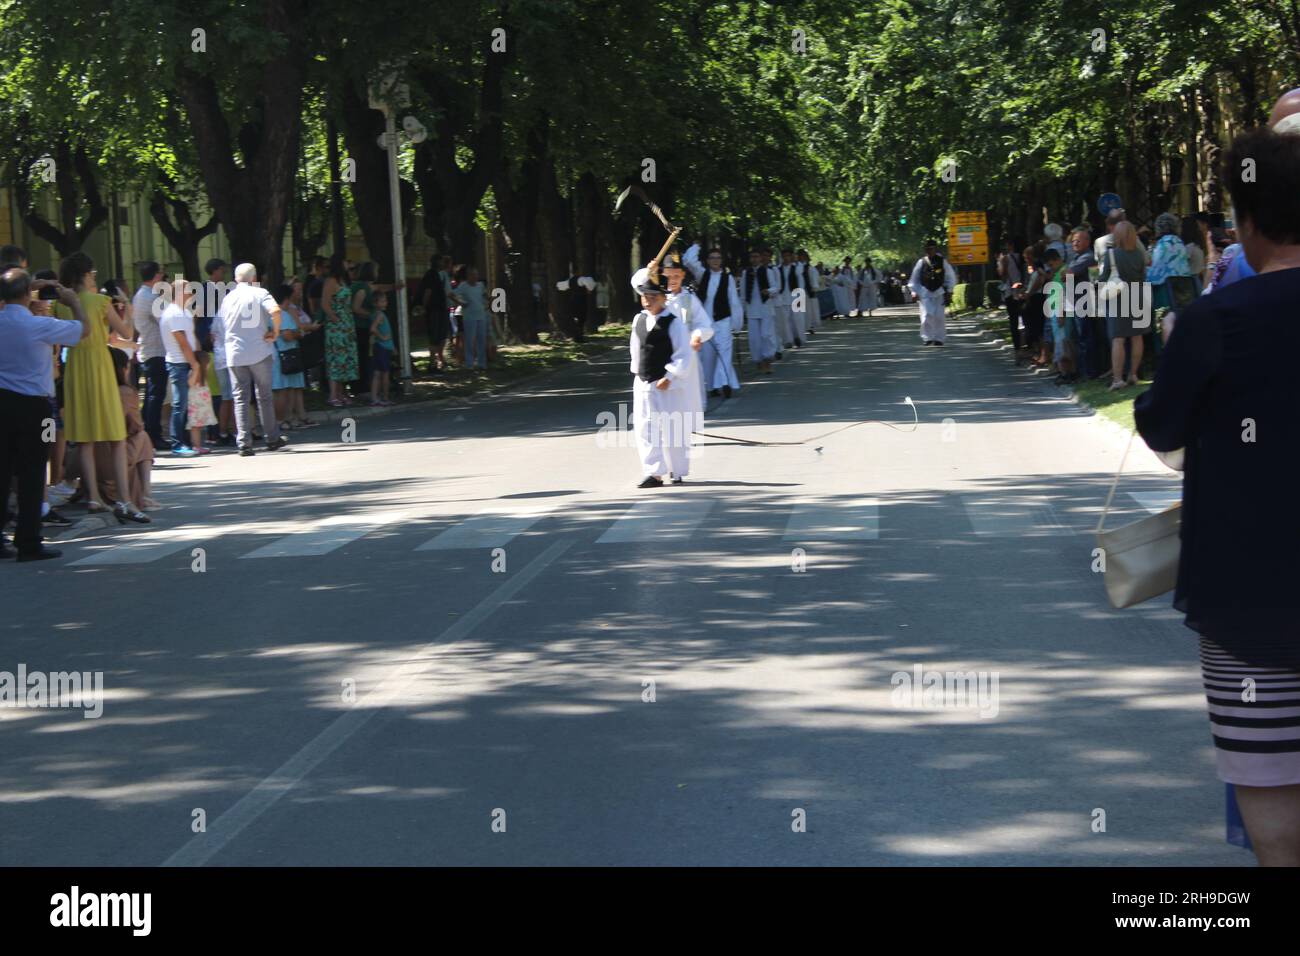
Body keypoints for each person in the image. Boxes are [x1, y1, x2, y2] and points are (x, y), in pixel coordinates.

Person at [1134, 127, 1300, 866]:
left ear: (1250, 223)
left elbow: (1160, 426)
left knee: (1269, 784)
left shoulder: (1214, 322)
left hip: (1247, 599)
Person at [0, 269, 90, 561]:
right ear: (28, 294)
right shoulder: (38, 324)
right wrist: (74, 301)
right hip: (36, 407)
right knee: (33, 470)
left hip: (3, 403)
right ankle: (28, 541)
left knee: (2, 471)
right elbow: (83, 330)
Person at [54, 252, 147, 521]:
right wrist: (127, 307)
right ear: (87, 275)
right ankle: (124, 500)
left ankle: (93, 497)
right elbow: (126, 334)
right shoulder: (100, 302)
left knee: (85, 439)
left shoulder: (63, 304)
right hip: (99, 366)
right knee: (115, 436)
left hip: (75, 368)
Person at [628, 272, 691, 488]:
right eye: (644, 297)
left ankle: (677, 470)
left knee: (672, 427)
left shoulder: (674, 323)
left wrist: (670, 375)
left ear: (663, 298)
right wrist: (638, 373)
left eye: (653, 297)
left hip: (666, 384)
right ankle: (654, 472)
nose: (647, 301)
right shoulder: (639, 320)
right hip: (644, 381)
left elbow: (684, 354)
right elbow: (635, 350)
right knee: (645, 427)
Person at [219, 263, 286, 456]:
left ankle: (244, 443)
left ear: (235, 279)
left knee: (240, 398)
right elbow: (276, 311)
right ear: (254, 278)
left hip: (235, 353)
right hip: (259, 351)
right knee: (264, 396)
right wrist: (275, 332)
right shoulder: (260, 293)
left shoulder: (228, 298)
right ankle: (272, 438)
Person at [99, 348, 156, 510]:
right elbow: (135, 426)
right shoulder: (125, 392)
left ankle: (143, 494)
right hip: (113, 457)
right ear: (123, 369)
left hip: (88, 459)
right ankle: (146, 493)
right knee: (143, 436)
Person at [683, 244, 743, 398]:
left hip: (723, 320)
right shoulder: (702, 274)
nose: (715, 261)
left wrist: (737, 324)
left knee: (724, 353)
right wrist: (697, 245)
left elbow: (734, 301)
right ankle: (711, 386)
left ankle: (724, 383)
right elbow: (688, 260)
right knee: (708, 356)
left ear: (721, 260)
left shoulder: (727, 278)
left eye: (718, 258)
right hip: (705, 323)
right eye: (712, 258)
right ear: (708, 261)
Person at [1100, 221, 1148, 390]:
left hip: (1118, 297)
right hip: (1138, 294)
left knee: (1118, 339)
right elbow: (1143, 275)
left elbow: (1104, 278)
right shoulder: (1139, 254)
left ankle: (1118, 379)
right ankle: (1133, 374)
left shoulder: (1111, 254)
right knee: (1137, 336)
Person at [159, 276, 202, 457]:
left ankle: (184, 442)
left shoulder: (183, 312)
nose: (191, 293)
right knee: (180, 404)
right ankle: (177, 443)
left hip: (184, 362)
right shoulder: (174, 313)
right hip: (179, 363)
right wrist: (195, 364)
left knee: (184, 403)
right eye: (187, 290)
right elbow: (182, 342)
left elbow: (190, 339)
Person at [131, 261, 169, 450]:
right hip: (155, 350)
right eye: (161, 273)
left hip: (149, 349)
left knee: (151, 395)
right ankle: (153, 434)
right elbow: (165, 320)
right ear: (156, 275)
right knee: (156, 394)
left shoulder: (141, 295)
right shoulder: (151, 297)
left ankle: (149, 433)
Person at [272, 281, 316, 428]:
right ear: (286, 298)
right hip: (286, 354)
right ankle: (283, 419)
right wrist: (300, 333)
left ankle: (288, 418)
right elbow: (287, 335)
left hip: (280, 354)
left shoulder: (271, 313)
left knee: (287, 389)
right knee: (285, 390)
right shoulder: (283, 314)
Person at [322, 253, 359, 406]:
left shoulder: (343, 280)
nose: (348, 264)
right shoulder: (331, 281)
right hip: (336, 328)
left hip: (347, 326)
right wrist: (336, 320)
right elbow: (325, 304)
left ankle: (342, 392)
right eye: (345, 261)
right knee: (336, 359)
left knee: (346, 360)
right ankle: (333, 395)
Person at [907, 240, 957, 346]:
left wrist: (949, 291)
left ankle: (939, 338)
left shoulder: (942, 261)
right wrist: (914, 292)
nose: (929, 251)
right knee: (926, 316)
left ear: (935, 249)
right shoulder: (921, 262)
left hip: (939, 292)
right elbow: (914, 279)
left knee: (939, 316)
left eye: (931, 248)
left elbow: (950, 276)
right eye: (928, 249)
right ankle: (928, 338)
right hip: (925, 292)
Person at [742, 247, 776, 374]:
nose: (754, 259)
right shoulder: (746, 273)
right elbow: (744, 293)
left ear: (761, 258)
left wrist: (769, 291)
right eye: (752, 257)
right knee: (754, 338)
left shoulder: (768, 271)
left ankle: (768, 359)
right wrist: (742, 309)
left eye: (757, 256)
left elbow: (776, 287)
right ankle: (758, 360)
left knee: (766, 335)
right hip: (752, 309)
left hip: (766, 307)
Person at [418, 254, 452, 373]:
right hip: (434, 310)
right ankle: (432, 363)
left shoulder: (439, 274)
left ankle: (439, 360)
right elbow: (428, 291)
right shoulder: (431, 274)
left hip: (441, 308)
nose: (444, 263)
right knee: (434, 336)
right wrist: (424, 306)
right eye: (442, 261)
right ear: (437, 262)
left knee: (441, 335)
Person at [451, 265, 489, 370]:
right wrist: (460, 303)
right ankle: (469, 364)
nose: (475, 277)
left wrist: (490, 300)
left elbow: (486, 296)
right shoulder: (463, 286)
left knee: (481, 340)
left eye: (476, 275)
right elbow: (451, 294)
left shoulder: (480, 285)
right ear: (468, 276)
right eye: (473, 275)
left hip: (481, 315)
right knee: (469, 340)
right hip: (469, 317)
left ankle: (482, 364)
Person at [369, 289, 395, 406]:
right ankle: (385, 397)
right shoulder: (379, 315)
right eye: (382, 301)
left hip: (381, 347)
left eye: (385, 300)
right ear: (376, 303)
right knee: (385, 373)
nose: (385, 303)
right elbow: (373, 329)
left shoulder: (376, 314)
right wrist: (383, 338)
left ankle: (375, 398)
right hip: (382, 347)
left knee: (377, 373)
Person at [997, 239, 1024, 350]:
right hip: (1024, 291)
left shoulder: (1006, 258)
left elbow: (1002, 275)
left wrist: (999, 262)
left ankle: (1017, 349)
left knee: (1014, 322)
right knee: (1027, 320)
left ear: (1011, 245)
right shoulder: (1024, 257)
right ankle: (1030, 346)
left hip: (1011, 292)